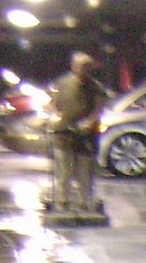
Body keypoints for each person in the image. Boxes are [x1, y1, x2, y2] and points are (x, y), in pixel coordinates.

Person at [46, 51, 108, 216]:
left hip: (85, 136)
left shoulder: (95, 87)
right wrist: (56, 118)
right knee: (64, 170)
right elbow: (52, 104)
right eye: (81, 67)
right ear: (74, 67)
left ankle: (84, 203)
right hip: (63, 134)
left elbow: (99, 108)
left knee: (84, 172)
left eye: (88, 67)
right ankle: (62, 202)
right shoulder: (61, 84)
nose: (84, 71)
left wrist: (89, 122)